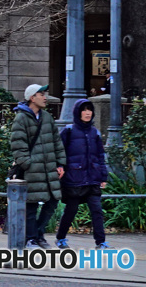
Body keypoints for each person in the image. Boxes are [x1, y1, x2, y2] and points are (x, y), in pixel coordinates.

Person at [10, 83, 66, 249]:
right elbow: (18, 145)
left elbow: (57, 141)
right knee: (32, 205)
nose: (45, 97)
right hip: (32, 171)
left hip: (49, 169)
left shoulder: (47, 117)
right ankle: (31, 239)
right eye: (41, 94)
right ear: (32, 97)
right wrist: (28, 164)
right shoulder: (21, 118)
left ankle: (38, 234)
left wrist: (60, 163)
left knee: (52, 201)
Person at [56, 99, 109, 249]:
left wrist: (103, 176)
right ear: (78, 112)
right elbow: (60, 152)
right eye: (84, 110)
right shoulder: (68, 131)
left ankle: (101, 242)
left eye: (89, 110)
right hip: (74, 178)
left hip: (92, 178)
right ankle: (60, 238)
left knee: (97, 210)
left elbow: (100, 156)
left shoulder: (95, 132)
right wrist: (60, 166)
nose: (87, 113)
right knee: (71, 210)